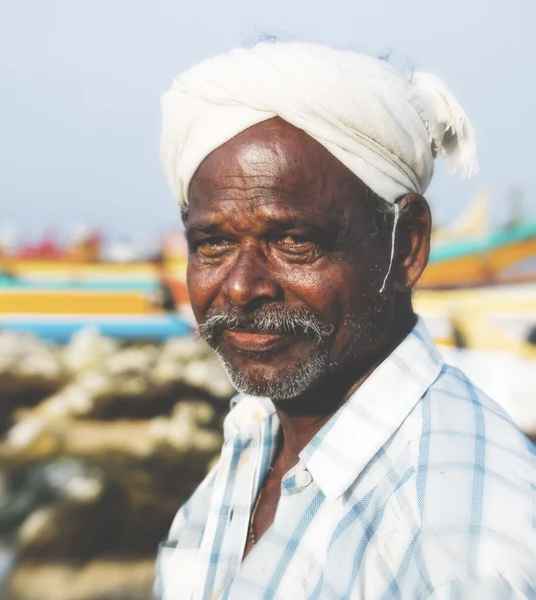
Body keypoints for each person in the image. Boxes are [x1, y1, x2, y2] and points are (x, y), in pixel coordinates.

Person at [155, 42, 536, 599]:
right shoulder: (257, 433)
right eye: (212, 243)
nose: (240, 286)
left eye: (293, 240)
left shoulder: (463, 547)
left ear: (406, 246)